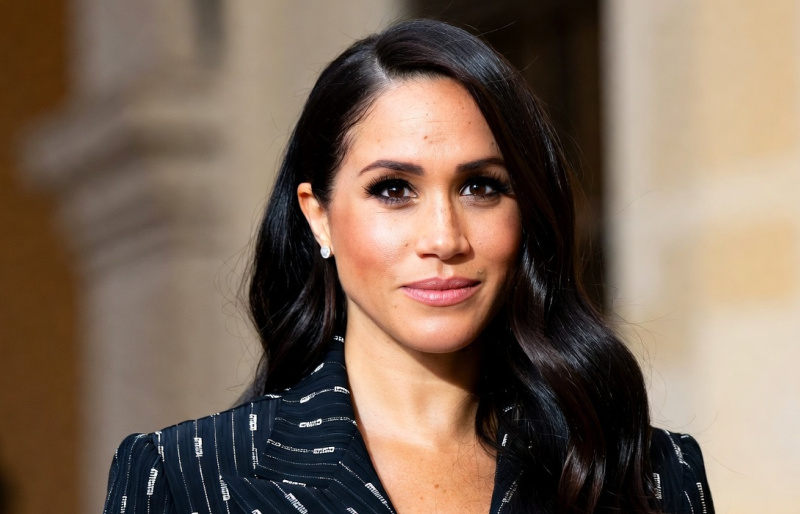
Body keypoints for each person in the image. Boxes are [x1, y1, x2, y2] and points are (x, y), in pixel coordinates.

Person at [103, 19, 714, 514]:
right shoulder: (186, 478)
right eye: (393, 190)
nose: (444, 238)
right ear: (319, 217)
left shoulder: (650, 475)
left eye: (481, 187)